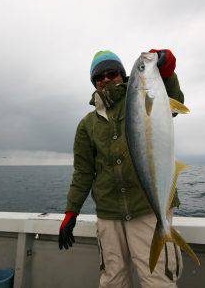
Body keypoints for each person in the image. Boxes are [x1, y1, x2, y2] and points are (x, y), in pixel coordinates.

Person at [59, 49, 186, 287]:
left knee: (157, 281)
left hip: (147, 209)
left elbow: (174, 103)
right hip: (109, 214)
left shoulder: (139, 98)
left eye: (112, 73)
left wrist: (166, 71)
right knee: (112, 280)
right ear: (94, 82)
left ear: (123, 75)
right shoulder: (87, 125)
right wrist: (71, 211)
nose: (106, 79)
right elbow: (83, 173)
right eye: (99, 76)